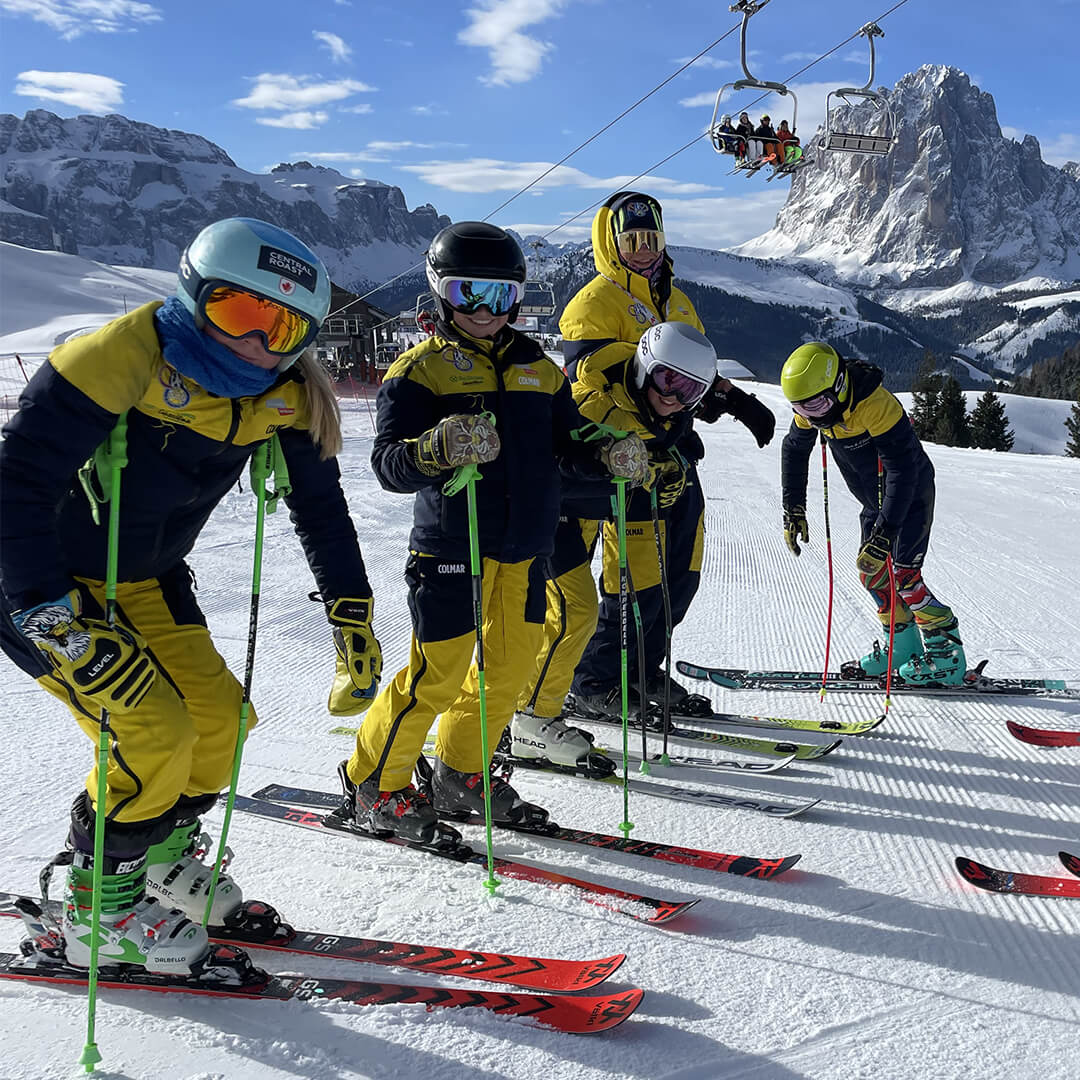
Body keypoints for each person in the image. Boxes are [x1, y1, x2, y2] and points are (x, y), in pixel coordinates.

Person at [0, 217, 381, 977]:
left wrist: (352, 616)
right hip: (45, 586)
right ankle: (97, 913)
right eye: (238, 312)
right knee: (150, 735)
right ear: (192, 292)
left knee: (220, 727)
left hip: (148, 580)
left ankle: (156, 862)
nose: (258, 344)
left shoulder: (286, 394)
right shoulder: (120, 357)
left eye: (284, 328)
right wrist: (56, 621)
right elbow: (15, 488)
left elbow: (322, 511)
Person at [338, 221, 646, 841]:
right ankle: (373, 782)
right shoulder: (420, 370)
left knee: (505, 672)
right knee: (438, 673)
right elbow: (388, 465)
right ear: (439, 291)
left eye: (499, 295)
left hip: (523, 549)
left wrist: (607, 452)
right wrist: (437, 448)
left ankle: (461, 773)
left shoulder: (539, 370)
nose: (483, 310)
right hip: (453, 548)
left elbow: (570, 441)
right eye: (467, 292)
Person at [508, 193, 775, 768]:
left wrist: (729, 401)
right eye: (631, 241)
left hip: (668, 450)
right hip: (611, 452)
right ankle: (598, 679)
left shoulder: (676, 300)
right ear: (611, 243)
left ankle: (641, 671)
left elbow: (691, 374)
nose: (643, 251)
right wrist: (638, 429)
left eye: (651, 239)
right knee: (627, 580)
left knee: (678, 572)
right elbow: (599, 376)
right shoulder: (593, 302)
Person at [779, 342, 967, 685]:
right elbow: (794, 447)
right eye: (801, 408)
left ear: (838, 386)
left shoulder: (875, 405)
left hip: (910, 496)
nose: (813, 416)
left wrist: (885, 533)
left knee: (904, 576)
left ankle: (947, 657)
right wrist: (793, 506)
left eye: (817, 405)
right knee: (873, 574)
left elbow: (902, 470)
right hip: (874, 502)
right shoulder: (816, 406)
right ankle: (902, 648)